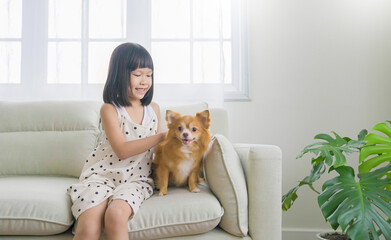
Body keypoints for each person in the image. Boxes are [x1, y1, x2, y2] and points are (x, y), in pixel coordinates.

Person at [67, 42, 166, 240]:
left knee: (116, 214)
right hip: (101, 176)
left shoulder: (153, 109)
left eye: (149, 75)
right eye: (138, 75)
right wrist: (163, 136)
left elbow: (157, 151)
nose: (144, 81)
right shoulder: (110, 109)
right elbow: (122, 150)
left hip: (136, 180)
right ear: (120, 75)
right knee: (89, 222)